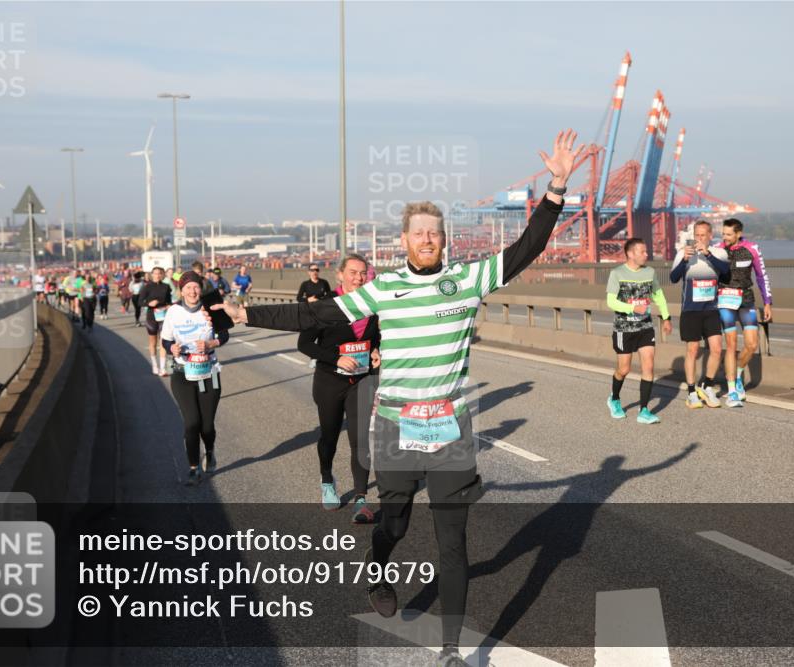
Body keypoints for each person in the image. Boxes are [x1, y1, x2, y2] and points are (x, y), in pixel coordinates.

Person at [215, 130, 582, 666]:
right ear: (404, 241)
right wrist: (250, 314)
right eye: (418, 234)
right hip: (396, 427)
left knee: (452, 542)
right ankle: (376, 564)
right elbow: (315, 316)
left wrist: (556, 188)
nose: (427, 240)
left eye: (434, 233)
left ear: (445, 240)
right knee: (395, 524)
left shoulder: (470, 278)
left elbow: (529, 247)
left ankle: (453, 650)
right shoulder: (382, 289)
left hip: (451, 426)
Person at [297, 253, 380, 521]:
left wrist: (378, 349)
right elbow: (305, 344)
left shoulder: (372, 306)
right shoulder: (324, 305)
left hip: (361, 380)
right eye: (353, 272)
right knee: (330, 436)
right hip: (330, 381)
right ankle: (326, 480)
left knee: (361, 440)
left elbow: (378, 336)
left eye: (362, 273)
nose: (358, 277)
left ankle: (360, 498)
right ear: (340, 275)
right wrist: (335, 358)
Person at [161, 271, 229, 485]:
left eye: (196, 287)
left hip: (209, 372)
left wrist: (211, 344)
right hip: (182, 373)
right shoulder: (173, 311)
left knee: (207, 426)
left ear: (201, 289)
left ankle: (209, 452)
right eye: (188, 287)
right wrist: (171, 347)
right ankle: (193, 467)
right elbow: (165, 341)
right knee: (191, 423)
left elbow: (225, 334)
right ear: (181, 290)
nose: (192, 291)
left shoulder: (210, 308)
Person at [606, 238, 672, 424]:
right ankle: (615, 399)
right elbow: (611, 302)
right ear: (630, 254)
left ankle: (644, 410)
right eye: (642, 251)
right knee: (624, 369)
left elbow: (659, 296)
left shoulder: (650, 272)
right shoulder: (617, 273)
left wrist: (666, 317)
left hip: (645, 326)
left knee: (649, 364)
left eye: (646, 251)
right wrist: (632, 308)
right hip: (624, 328)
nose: (646, 254)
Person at [669, 220, 730, 409]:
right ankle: (691, 392)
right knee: (692, 350)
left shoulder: (719, 253)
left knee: (717, 349)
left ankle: (707, 385)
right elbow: (673, 278)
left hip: (711, 309)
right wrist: (685, 261)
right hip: (691, 310)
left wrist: (708, 254)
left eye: (703, 235)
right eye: (697, 235)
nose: (699, 239)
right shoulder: (684, 253)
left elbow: (726, 275)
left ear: (711, 236)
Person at [719, 218, 773, 407]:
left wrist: (767, 302)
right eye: (723, 233)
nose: (724, 237)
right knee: (731, 344)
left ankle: (739, 373)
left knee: (751, 344)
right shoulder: (718, 250)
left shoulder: (752, 249)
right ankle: (732, 390)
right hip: (725, 299)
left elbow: (761, 275)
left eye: (728, 234)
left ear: (738, 234)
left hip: (746, 299)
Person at [138, 266, 173, 375]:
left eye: (160, 273)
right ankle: (154, 365)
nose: (157, 275)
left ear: (162, 275)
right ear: (152, 274)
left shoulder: (166, 287)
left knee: (163, 341)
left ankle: (162, 368)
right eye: (155, 273)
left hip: (164, 316)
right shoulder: (147, 287)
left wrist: (168, 306)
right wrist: (149, 304)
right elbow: (139, 302)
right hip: (152, 316)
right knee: (153, 342)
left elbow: (169, 302)